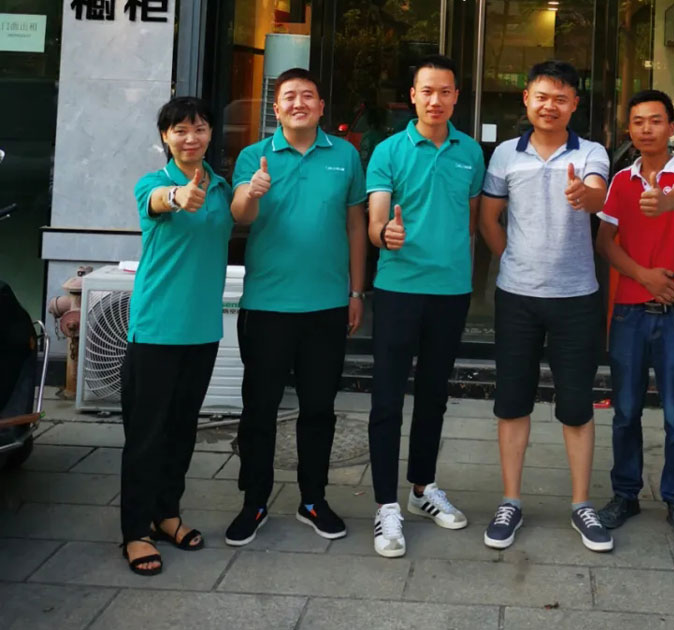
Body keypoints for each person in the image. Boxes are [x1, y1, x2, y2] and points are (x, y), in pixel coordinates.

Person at [226, 68, 367, 546]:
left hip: (326, 305)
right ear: (276, 108)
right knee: (259, 409)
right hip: (266, 305)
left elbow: (355, 225)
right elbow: (240, 214)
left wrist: (356, 292)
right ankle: (254, 500)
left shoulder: (344, 156)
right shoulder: (254, 155)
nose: (299, 103)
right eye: (290, 96)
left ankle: (313, 499)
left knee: (319, 409)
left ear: (321, 107)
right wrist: (252, 191)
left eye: (308, 95)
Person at [479, 60, 613, 553]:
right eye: (541, 96)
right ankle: (510, 500)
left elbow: (597, 196)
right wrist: (513, 259)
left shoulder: (592, 152)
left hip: (576, 298)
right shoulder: (504, 155)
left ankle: (581, 504)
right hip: (517, 297)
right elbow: (489, 218)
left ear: (574, 104)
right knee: (512, 401)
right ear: (527, 100)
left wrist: (584, 194)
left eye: (560, 98)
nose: (549, 106)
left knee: (576, 404)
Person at [364, 55, 485, 558]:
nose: (436, 100)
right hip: (399, 288)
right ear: (412, 95)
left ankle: (422, 488)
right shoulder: (388, 151)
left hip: (450, 290)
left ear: (456, 96)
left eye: (445, 91)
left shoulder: (470, 152)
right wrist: (384, 234)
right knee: (387, 398)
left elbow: (471, 221)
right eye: (427, 91)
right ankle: (385, 505)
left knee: (434, 393)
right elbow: (375, 221)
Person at [121, 97, 234, 575]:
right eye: (180, 130)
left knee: (183, 429)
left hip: (202, 329)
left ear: (210, 134)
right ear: (165, 137)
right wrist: (178, 197)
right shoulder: (153, 183)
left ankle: (166, 514)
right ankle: (134, 531)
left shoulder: (222, 187)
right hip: (156, 328)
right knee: (146, 435)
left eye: (200, 128)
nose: (191, 138)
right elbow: (158, 202)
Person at [594, 89, 674, 545]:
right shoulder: (620, 181)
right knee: (625, 411)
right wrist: (644, 276)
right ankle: (625, 494)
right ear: (630, 128)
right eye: (638, 121)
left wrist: (662, 200)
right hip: (629, 313)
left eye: (656, 120)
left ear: (671, 127)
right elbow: (605, 243)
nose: (646, 129)